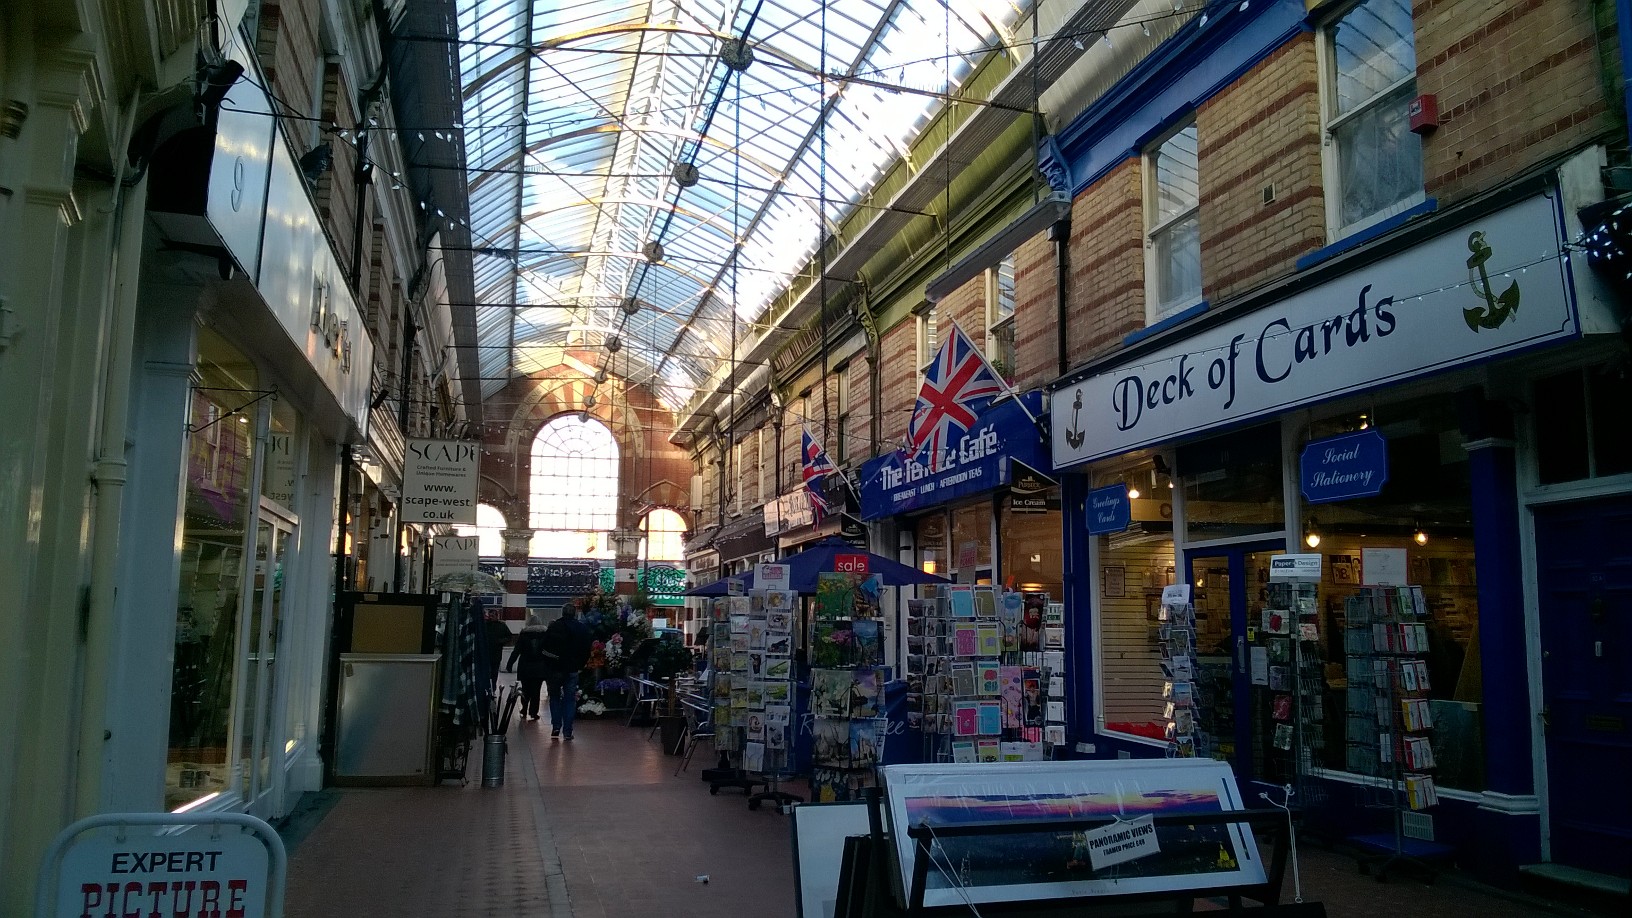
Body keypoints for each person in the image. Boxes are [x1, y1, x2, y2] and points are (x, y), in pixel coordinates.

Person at [540, 602, 593, 739]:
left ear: (562, 613)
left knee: (555, 697)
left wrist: (550, 662)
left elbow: (543, 647)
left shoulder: (555, 627)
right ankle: (568, 731)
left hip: (555, 669)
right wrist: (580, 665)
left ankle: (556, 726)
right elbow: (587, 649)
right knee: (570, 699)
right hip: (572, 669)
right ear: (574, 613)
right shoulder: (581, 628)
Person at [506, 613, 551, 721]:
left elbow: (516, 651)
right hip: (539, 668)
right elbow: (548, 651)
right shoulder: (545, 634)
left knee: (525, 690)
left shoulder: (524, 634)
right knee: (536, 691)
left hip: (525, 667)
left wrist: (510, 664)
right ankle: (533, 712)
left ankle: (524, 709)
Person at [483, 609, 511, 691]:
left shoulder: (501, 626)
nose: (491, 618)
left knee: (494, 673)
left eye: (493, 616)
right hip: (488, 654)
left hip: (496, 654)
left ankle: (493, 688)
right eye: (490, 616)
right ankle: (488, 688)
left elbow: (509, 636)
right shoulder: (486, 625)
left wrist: (500, 641)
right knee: (488, 673)